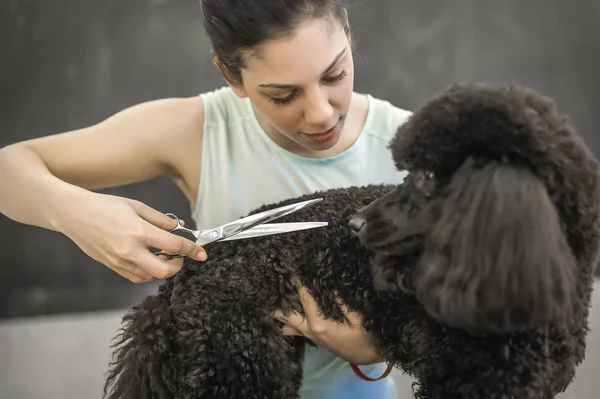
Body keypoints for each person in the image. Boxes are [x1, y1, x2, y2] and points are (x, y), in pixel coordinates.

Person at [0, 0, 413, 397]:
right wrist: (79, 215)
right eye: (283, 95)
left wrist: (382, 347)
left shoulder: (413, 151)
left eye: (335, 74)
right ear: (231, 77)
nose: (321, 112)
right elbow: (9, 167)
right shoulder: (196, 131)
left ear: (347, 28)